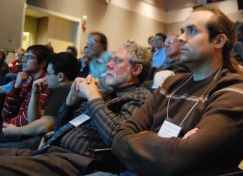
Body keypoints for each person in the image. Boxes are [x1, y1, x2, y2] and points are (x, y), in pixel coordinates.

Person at [112, 7, 243, 175]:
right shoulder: (170, 84)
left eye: (192, 31)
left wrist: (142, 138)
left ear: (218, 41)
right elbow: (119, 137)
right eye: (182, 31)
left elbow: (181, 159)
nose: (180, 38)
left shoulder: (233, 92)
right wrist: (172, 145)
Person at [0, 41, 152, 175]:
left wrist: (93, 96)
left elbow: (119, 138)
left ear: (136, 70)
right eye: (111, 59)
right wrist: (70, 102)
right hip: (51, 149)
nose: (108, 64)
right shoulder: (106, 93)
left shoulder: (140, 96)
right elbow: (61, 127)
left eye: (117, 61)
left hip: (77, 161)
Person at [0, 53, 78, 149]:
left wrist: (15, 130)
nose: (45, 78)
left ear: (60, 76)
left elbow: (45, 126)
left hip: (46, 145)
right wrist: (35, 93)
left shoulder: (63, 90)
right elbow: (34, 120)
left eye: (48, 74)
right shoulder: (65, 90)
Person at [1, 45, 53, 127]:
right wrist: (17, 86)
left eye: (29, 57)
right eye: (23, 56)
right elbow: (6, 114)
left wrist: (4, 125)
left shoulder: (44, 85)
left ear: (42, 63)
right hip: (12, 129)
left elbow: (28, 120)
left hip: (21, 135)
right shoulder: (29, 82)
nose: (23, 60)